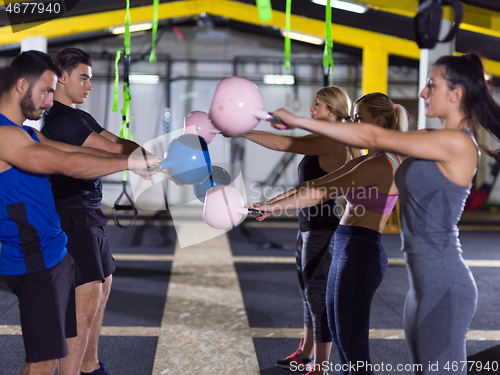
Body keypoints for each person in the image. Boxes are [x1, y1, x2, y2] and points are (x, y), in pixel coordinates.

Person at [264, 53, 500, 374]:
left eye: (431, 85)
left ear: (456, 94)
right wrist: (273, 204)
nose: (422, 93)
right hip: (421, 285)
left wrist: (300, 120)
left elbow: (372, 135)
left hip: (444, 282)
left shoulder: (457, 143)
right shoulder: (428, 138)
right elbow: (365, 143)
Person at [0, 51, 159, 375]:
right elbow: (68, 165)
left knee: (47, 359)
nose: (49, 102)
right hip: (33, 259)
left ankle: (89, 367)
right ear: (20, 85)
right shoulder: (4, 136)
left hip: (52, 254)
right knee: (43, 364)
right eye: (46, 91)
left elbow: (71, 151)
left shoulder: (28, 133)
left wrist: (139, 159)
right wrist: (129, 163)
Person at [251, 92, 408, 375]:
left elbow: (321, 193)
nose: (353, 125)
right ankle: (312, 358)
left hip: (360, 252)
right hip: (346, 247)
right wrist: (270, 204)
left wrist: (274, 208)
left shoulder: (381, 163)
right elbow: (317, 183)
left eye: (358, 119)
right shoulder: (368, 159)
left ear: (379, 121)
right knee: (340, 333)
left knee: (352, 345)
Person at [237, 86, 359, 372]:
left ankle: (321, 365)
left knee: (318, 298)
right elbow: (304, 187)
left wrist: (240, 131)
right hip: (309, 228)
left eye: (317, 104)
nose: (311, 110)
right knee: (308, 294)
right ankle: (305, 353)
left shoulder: (331, 142)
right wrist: (270, 203)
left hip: (323, 230)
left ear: (331, 109)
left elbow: (283, 144)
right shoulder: (325, 139)